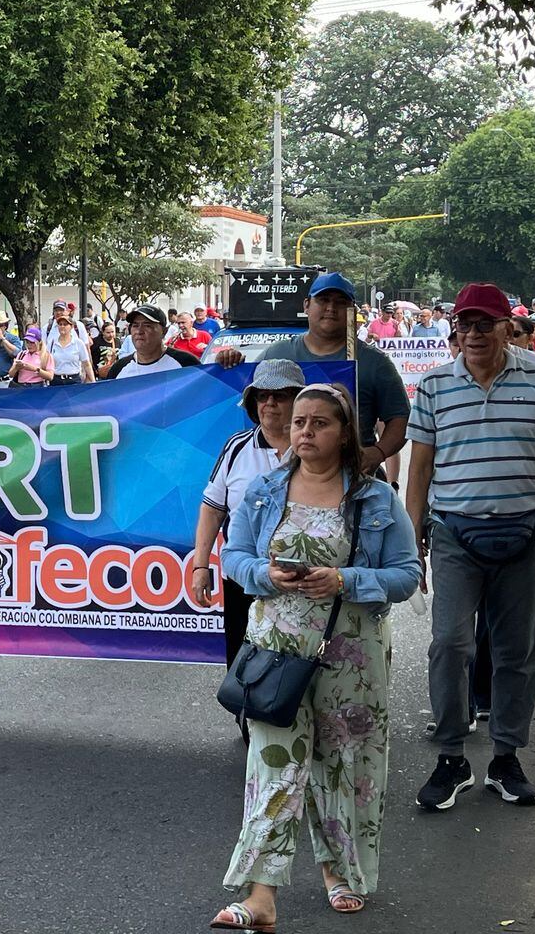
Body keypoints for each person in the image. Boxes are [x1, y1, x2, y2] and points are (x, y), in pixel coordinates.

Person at [212, 383, 419, 930]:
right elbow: (234, 557)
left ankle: (340, 872)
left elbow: (406, 575)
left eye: (319, 422)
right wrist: (264, 573)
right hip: (275, 654)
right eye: (299, 422)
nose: (304, 431)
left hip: (351, 659)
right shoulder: (263, 491)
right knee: (273, 767)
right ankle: (261, 896)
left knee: (345, 766)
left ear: (345, 432)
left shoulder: (375, 499)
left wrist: (345, 580)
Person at [407, 282, 535, 812]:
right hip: (454, 536)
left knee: (517, 652)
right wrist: (412, 540)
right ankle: (451, 757)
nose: (473, 334)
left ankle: (506, 758)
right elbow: (419, 470)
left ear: (507, 327)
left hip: (524, 536)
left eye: (484, 323)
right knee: (450, 645)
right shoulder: (435, 386)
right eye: (464, 324)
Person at [191, 358, 304, 667]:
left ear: (299, 400)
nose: (270, 403)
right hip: (243, 579)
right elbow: (212, 509)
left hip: (303, 582)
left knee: (300, 674)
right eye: (262, 395)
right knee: (244, 673)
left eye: (280, 395)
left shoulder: (315, 449)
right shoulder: (236, 448)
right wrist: (200, 567)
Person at [258, 273, 410, 482]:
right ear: (306, 305)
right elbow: (243, 402)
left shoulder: (374, 362)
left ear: (352, 311)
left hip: (354, 483)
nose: (331, 308)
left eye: (340, 302)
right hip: (284, 481)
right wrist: (229, 364)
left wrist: (378, 452)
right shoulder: (276, 355)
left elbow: (401, 418)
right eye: (323, 300)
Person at [103, 305, 203, 378]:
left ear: (164, 331)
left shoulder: (186, 363)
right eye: (135, 325)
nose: (139, 331)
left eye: (147, 325)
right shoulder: (118, 369)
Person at [45, 309, 94, 384]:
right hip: (56, 380)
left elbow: (86, 364)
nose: (62, 326)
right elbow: (46, 362)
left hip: (74, 380)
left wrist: (93, 381)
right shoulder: (52, 343)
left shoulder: (78, 343)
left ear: (71, 326)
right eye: (60, 324)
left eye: (65, 324)